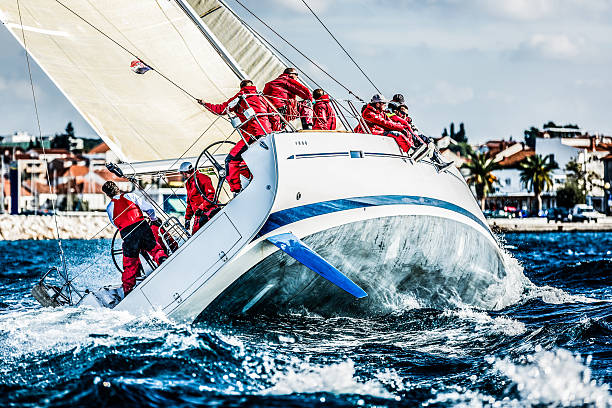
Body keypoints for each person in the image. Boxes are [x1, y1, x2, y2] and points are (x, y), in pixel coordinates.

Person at [198, 79, 273, 193]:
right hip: (268, 132)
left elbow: (220, 109)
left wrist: (204, 103)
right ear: (253, 85)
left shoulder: (241, 96)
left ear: (241, 87)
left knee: (231, 160)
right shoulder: (261, 96)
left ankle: (236, 190)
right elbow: (273, 114)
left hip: (252, 134)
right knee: (245, 159)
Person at [103, 181, 167, 295]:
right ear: (118, 188)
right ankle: (162, 260)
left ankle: (128, 290)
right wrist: (153, 219)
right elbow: (150, 209)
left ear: (107, 195)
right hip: (142, 227)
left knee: (130, 263)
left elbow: (116, 224)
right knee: (154, 248)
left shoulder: (109, 207)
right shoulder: (130, 196)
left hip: (128, 235)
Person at [180, 161, 217, 234]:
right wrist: (187, 219)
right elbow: (190, 202)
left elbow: (211, 196)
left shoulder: (202, 178)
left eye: (181, 173)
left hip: (208, 213)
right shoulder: (188, 183)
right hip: (199, 215)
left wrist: (201, 208)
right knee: (195, 236)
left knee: (199, 236)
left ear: (185, 172)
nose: (182, 175)